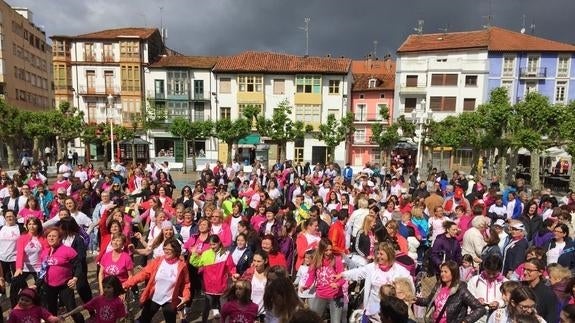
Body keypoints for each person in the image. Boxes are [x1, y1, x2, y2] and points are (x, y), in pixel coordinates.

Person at [337, 242, 413, 321]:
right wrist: (342, 275)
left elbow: (409, 284)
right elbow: (358, 272)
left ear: (389, 255)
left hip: (389, 314)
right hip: (372, 311)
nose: (378, 256)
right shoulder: (373, 267)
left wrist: (406, 297)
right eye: (378, 253)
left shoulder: (399, 271)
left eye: (381, 254)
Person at [122, 238, 190, 323]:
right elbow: (143, 274)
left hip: (169, 300)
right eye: (165, 248)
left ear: (176, 250)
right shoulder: (158, 261)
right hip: (154, 297)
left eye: (169, 249)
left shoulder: (182, 266)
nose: (166, 251)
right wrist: (126, 284)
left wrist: (186, 297)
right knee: (144, 320)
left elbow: (186, 283)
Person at [415, 260, 486, 323]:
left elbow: (480, 309)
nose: (442, 274)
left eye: (446, 272)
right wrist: (415, 299)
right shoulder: (439, 286)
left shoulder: (461, 290)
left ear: (453, 273)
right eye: (442, 271)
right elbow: (428, 301)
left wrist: (465, 321)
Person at [39, 227, 84, 323]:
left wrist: (75, 279)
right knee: (51, 311)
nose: (51, 238)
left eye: (54, 236)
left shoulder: (68, 250)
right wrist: (36, 285)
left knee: (72, 309)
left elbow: (78, 266)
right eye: (49, 236)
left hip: (65, 285)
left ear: (60, 238)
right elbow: (42, 271)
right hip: (49, 286)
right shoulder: (45, 252)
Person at [190, 234, 236, 322]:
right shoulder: (206, 253)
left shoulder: (226, 254)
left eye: (214, 244)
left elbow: (231, 267)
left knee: (224, 308)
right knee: (206, 307)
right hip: (209, 286)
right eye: (210, 245)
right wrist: (194, 253)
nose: (212, 246)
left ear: (219, 243)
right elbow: (196, 263)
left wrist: (234, 274)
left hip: (222, 286)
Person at [301, 239, 345, 323]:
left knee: (335, 321)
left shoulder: (337, 260)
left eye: (330, 250)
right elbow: (311, 275)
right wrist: (306, 286)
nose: (329, 252)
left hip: (336, 296)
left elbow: (343, 277)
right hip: (321, 295)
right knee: (316, 319)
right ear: (321, 250)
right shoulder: (316, 260)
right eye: (326, 250)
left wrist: (338, 284)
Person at [62, 276, 126, 322]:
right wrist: (67, 315)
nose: (105, 289)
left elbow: (119, 318)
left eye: (108, 287)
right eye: (104, 287)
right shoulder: (98, 300)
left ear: (115, 287)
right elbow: (82, 307)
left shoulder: (118, 302)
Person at [468, 255, 507, 323]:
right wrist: (476, 300)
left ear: (499, 270)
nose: (491, 276)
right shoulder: (475, 280)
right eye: (488, 273)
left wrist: (498, 303)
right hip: (478, 316)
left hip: (496, 317)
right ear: (484, 268)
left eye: (494, 274)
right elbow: (469, 296)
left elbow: (507, 299)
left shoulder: (505, 282)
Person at [522, 258, 559, 323]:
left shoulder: (547, 293)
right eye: (524, 269)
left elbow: (552, 317)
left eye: (529, 270)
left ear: (540, 272)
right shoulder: (519, 287)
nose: (525, 272)